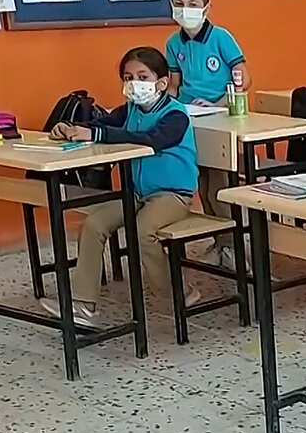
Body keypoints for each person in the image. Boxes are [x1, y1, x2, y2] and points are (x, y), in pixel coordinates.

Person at [43, 47, 200, 326]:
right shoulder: (129, 111)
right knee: (93, 225)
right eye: (128, 77)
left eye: (142, 76)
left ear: (161, 83)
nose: (133, 83)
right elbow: (99, 123)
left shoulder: (176, 115)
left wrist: (98, 133)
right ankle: (83, 306)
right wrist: (69, 128)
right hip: (136, 194)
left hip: (172, 195)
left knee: (141, 232)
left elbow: (150, 139)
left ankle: (178, 293)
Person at [165, 0, 250, 270]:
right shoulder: (173, 43)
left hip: (222, 116)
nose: (185, 9)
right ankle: (219, 243)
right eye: (179, 3)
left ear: (205, 8)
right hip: (191, 120)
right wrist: (170, 107)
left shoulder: (221, 38)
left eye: (192, 3)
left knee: (219, 185)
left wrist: (217, 104)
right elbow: (174, 85)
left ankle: (233, 245)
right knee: (201, 183)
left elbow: (243, 80)